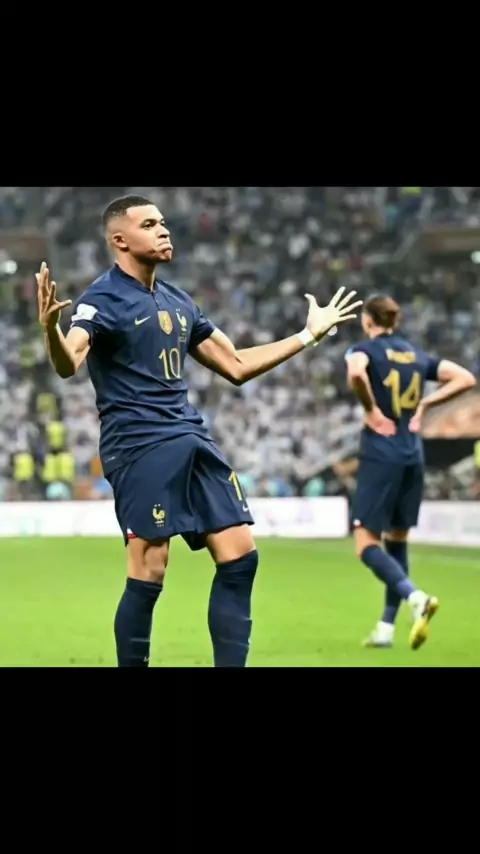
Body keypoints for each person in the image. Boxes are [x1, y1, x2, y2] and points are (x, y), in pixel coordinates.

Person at [37, 194, 362, 668]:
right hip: (139, 444)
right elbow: (70, 361)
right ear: (120, 240)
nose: (163, 230)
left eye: (163, 222)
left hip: (190, 436)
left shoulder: (178, 300)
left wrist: (307, 335)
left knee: (241, 556)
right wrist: (51, 329)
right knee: (150, 569)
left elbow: (236, 364)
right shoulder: (100, 299)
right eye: (150, 224)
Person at [345, 294, 476, 650]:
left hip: (380, 451)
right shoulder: (416, 355)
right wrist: (428, 403)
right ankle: (386, 629)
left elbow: (355, 372)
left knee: (365, 543)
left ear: (368, 321)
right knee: (397, 540)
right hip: (412, 453)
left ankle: (415, 598)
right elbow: (465, 378)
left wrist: (371, 409)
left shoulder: (363, 350)